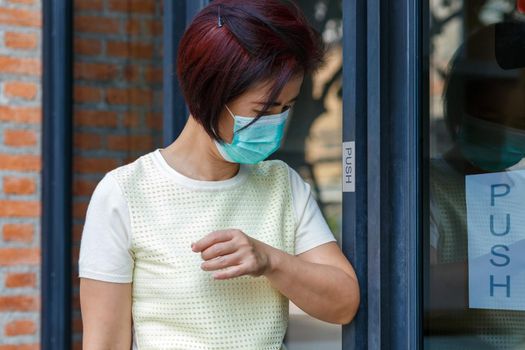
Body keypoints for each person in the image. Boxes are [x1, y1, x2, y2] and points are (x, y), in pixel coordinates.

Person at [78, 1, 360, 349]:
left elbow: (344, 302)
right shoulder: (125, 193)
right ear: (209, 94)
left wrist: (270, 260)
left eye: (287, 107)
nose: (278, 122)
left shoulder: (281, 186)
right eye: (264, 109)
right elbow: (104, 343)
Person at [427, 21, 525, 349]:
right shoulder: (422, 187)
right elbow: (417, 292)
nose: (504, 132)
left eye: (522, 123)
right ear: (458, 106)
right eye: (489, 114)